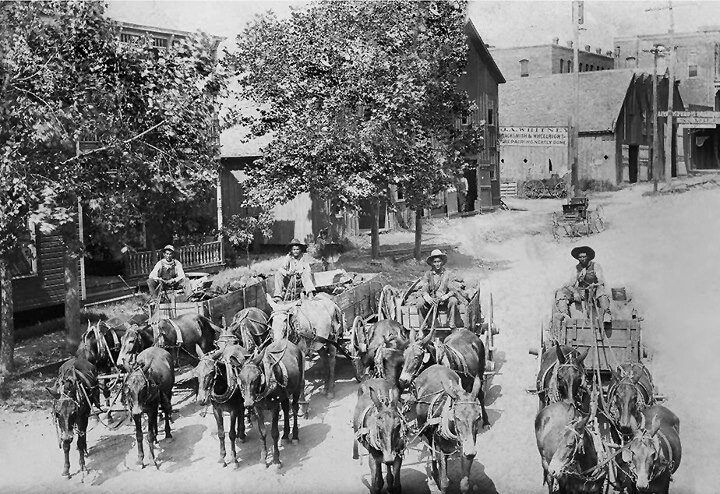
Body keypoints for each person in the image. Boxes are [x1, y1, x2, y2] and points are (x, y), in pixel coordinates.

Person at [559, 246, 612, 325]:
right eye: (580, 257)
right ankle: (564, 315)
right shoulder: (576, 268)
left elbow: (601, 280)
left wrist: (594, 285)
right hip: (582, 292)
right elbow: (571, 283)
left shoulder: (595, 266)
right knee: (561, 292)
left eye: (584, 256)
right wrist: (574, 292)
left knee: (601, 289)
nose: (582, 259)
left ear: (588, 257)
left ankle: (607, 313)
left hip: (594, 291)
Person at [415, 249, 459, 329]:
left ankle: (451, 324)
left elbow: (453, 290)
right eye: (435, 262)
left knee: (453, 300)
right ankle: (423, 326)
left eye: (438, 261)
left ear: (442, 262)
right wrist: (428, 298)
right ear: (432, 263)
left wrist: (443, 297)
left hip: (444, 301)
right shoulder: (428, 274)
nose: (437, 264)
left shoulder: (448, 274)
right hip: (431, 301)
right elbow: (423, 288)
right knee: (420, 302)